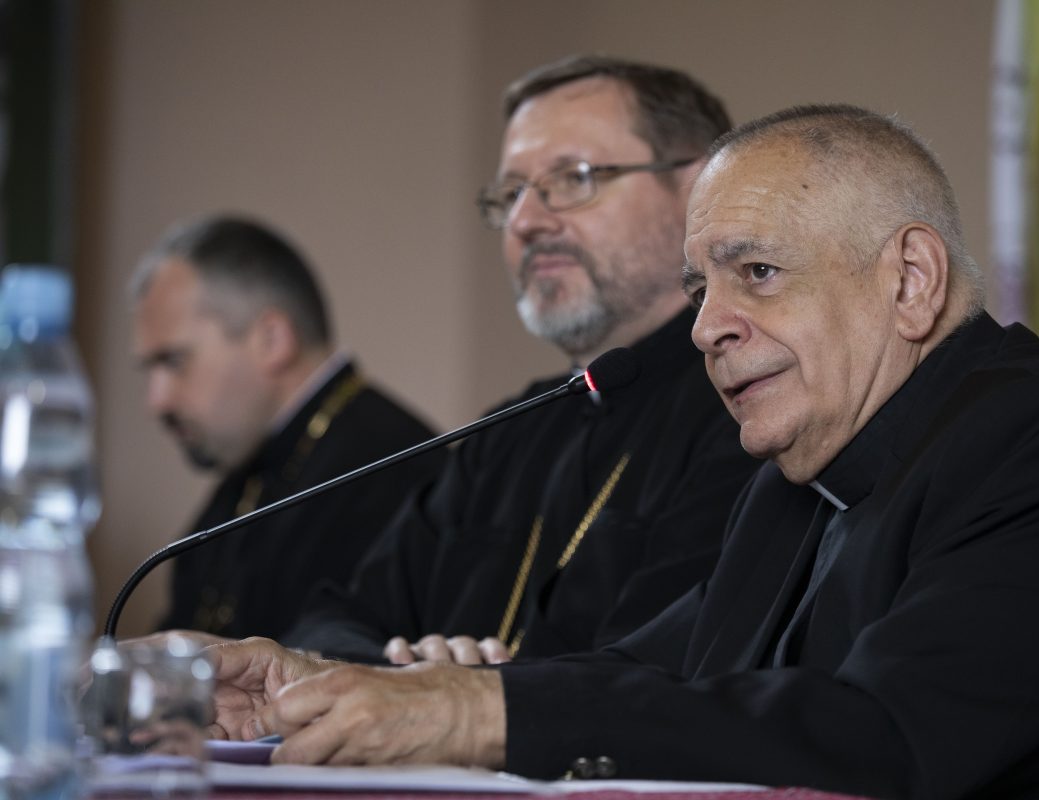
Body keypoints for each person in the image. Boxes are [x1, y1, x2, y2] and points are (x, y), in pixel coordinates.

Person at [209, 105, 1039, 799]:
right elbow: (651, 677)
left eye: (757, 273)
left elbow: (882, 738)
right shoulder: (794, 482)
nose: (705, 328)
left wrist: (477, 714)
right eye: (701, 289)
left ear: (910, 280)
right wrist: (345, 686)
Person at [279, 55, 758, 665]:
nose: (526, 220)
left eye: (575, 177)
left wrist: (476, 705)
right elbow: (331, 621)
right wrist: (404, 674)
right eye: (511, 193)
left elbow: (672, 677)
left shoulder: (746, 405)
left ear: (697, 191)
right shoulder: (507, 435)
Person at [131, 215, 446, 640]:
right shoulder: (252, 471)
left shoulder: (394, 469)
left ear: (272, 340)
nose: (157, 400)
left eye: (173, 361)